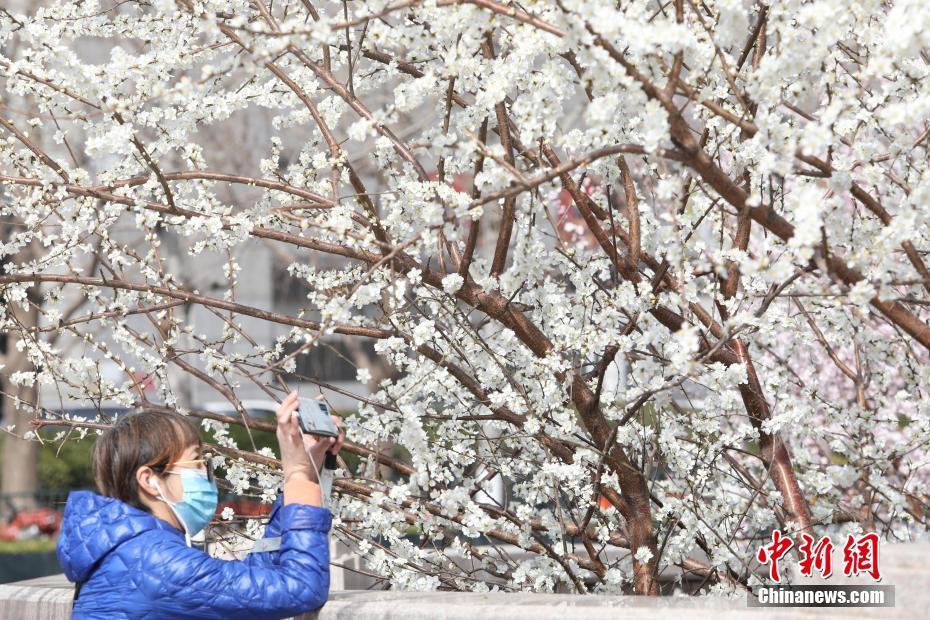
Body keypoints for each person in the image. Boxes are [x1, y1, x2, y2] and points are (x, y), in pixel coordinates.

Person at [56, 391, 344, 619]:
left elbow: (252, 584)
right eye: (197, 461)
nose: (206, 474)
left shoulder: (134, 554)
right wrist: (296, 475)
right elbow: (301, 587)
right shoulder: (157, 564)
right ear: (149, 479)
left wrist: (309, 468)